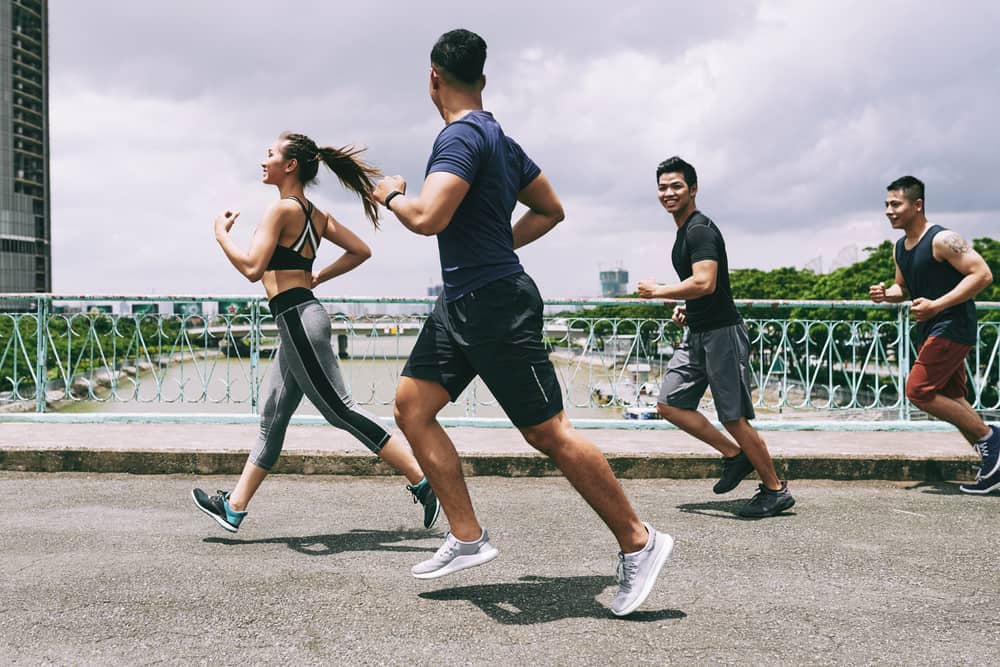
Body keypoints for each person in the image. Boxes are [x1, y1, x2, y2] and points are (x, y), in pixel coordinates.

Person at [371, 29, 671, 617]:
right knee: (411, 407)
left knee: (548, 433)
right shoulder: (501, 141)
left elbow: (428, 217)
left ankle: (640, 540)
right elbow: (550, 209)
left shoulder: (458, 136)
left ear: (433, 78)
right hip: (464, 300)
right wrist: (494, 245)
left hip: (493, 304)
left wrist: (391, 195)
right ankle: (466, 536)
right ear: (482, 79)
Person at [192, 132, 440, 532]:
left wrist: (221, 236)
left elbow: (253, 268)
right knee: (272, 416)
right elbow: (361, 250)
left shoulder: (280, 212)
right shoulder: (314, 214)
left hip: (297, 318)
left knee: (340, 409)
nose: (264, 160)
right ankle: (233, 508)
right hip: (300, 315)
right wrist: (318, 276)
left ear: (290, 165)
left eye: (270, 154)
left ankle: (423, 479)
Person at [637, 156, 795, 518]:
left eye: (676, 186)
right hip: (698, 331)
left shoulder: (699, 230)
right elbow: (702, 288)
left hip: (722, 334)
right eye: (662, 187)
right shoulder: (684, 231)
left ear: (693, 189)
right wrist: (686, 308)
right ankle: (735, 455)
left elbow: (705, 282)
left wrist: (661, 291)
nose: (668, 193)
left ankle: (774, 488)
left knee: (734, 416)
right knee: (670, 404)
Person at [869, 175, 997, 494]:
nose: (889, 211)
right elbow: (906, 287)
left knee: (919, 391)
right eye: (886, 205)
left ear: (917, 205)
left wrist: (937, 305)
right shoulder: (901, 247)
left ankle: (992, 440)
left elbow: (982, 274)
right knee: (954, 398)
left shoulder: (943, 239)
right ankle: (993, 467)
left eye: (895, 204)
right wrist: (888, 294)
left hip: (952, 325)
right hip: (930, 328)